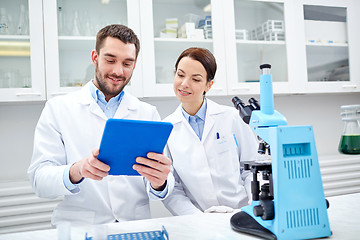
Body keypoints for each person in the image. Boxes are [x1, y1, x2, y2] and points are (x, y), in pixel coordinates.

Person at [28, 24, 174, 226]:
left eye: (127, 63)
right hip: (80, 227)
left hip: (133, 227)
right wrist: (77, 170)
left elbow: (162, 184)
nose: (118, 71)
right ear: (95, 58)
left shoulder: (147, 113)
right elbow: (39, 181)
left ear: (134, 64)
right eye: (110, 60)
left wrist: (161, 182)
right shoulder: (58, 109)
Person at [162, 47, 259, 215]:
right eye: (180, 74)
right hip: (198, 221)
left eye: (196, 79)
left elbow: (253, 169)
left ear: (209, 85)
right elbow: (173, 188)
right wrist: (196, 219)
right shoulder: (166, 128)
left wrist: (251, 208)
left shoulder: (232, 117)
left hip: (243, 213)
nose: (184, 84)